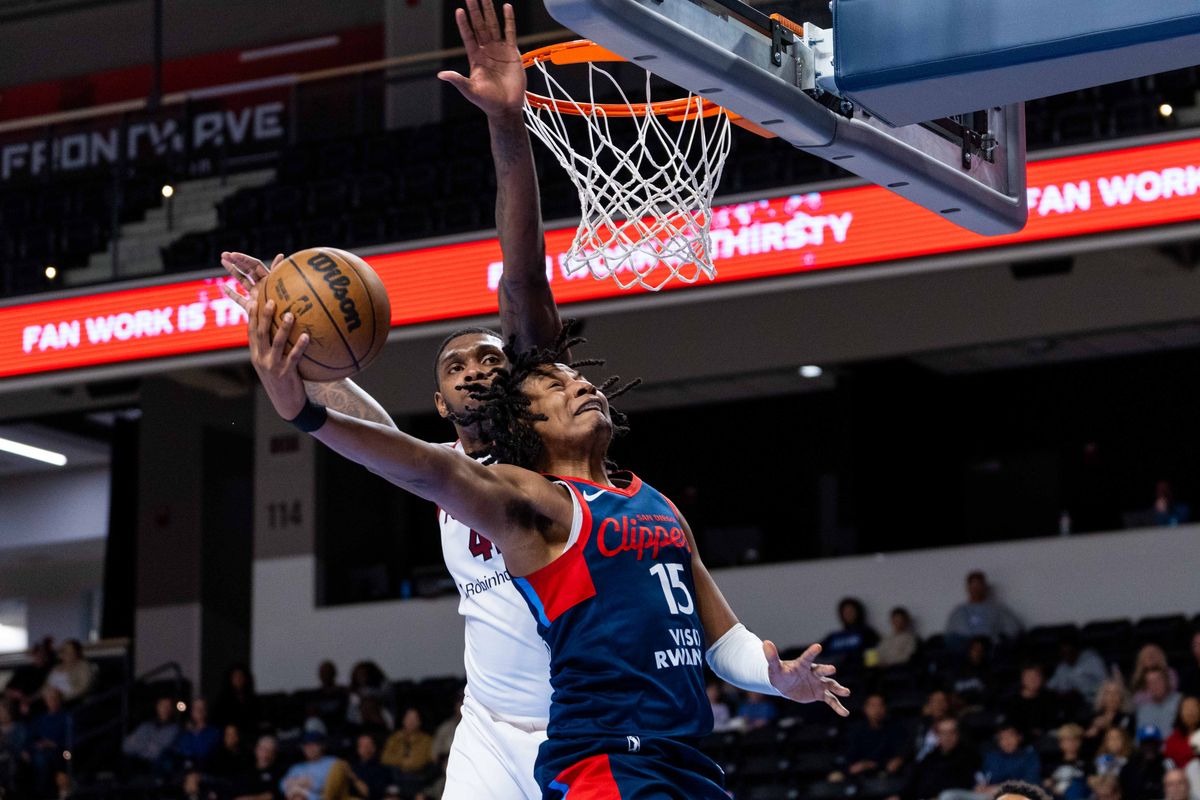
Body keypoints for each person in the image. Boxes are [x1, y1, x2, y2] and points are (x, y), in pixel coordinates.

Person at [220, 3, 569, 796]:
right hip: (487, 728)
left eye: (491, 355)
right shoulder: (442, 472)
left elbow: (520, 275)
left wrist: (508, 129)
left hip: (579, 719)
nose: (476, 365)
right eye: (455, 364)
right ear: (441, 406)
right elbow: (365, 426)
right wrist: (293, 343)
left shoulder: (541, 454)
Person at [902, 718, 978, 800]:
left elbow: (964, 784)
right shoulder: (930, 757)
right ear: (937, 735)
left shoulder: (968, 755)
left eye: (951, 732)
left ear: (958, 734)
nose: (947, 737)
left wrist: (937, 796)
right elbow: (914, 780)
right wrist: (899, 796)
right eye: (943, 733)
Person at [835, 693, 906, 779]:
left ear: (885, 708)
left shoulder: (895, 729)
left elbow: (898, 755)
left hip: (883, 771)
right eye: (872, 706)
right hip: (858, 771)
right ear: (865, 708)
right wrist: (855, 767)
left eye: (880, 705)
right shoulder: (855, 730)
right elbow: (849, 755)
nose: (876, 710)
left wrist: (876, 765)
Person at [945, 571, 1022, 647]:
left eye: (979, 585)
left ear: (984, 587)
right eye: (973, 586)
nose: (976, 590)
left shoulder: (998, 609)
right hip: (966, 649)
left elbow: (1013, 629)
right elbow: (952, 635)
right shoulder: (959, 611)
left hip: (992, 646)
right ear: (968, 588)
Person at [23, 686, 70, 797]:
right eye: (49, 699)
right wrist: (25, 749)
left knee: (41, 760)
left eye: (54, 698)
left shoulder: (66, 717)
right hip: (39, 750)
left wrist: (53, 744)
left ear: (60, 700)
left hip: (60, 752)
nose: (52, 701)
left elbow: (71, 739)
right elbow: (30, 737)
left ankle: (43, 793)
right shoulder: (41, 719)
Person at [279, 732, 353, 800]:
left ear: (322, 746)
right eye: (306, 746)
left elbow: (326, 786)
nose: (310, 749)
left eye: (313, 745)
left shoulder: (332, 762)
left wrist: (302, 787)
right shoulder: (297, 767)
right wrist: (303, 785)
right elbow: (282, 785)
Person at [122, 695, 180, 774]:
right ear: (157, 707)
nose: (165, 709)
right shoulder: (145, 726)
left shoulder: (175, 729)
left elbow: (157, 752)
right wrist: (148, 745)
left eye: (168, 706)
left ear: (172, 709)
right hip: (137, 763)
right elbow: (126, 746)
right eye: (162, 705)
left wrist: (140, 744)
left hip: (156, 766)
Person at [1003, 664, 1064, 738]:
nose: (1032, 680)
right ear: (1022, 679)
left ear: (1042, 678)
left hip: (1046, 738)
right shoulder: (1011, 701)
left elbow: (1054, 723)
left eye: (1036, 676)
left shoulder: (1051, 698)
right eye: (1029, 676)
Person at [1046, 634, 1108, 705]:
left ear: (1077, 649)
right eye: (1063, 653)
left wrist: (1082, 691)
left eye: (1070, 652)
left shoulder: (1092, 659)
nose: (1067, 656)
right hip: (1069, 705)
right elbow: (1049, 687)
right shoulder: (1062, 667)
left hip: (1093, 702)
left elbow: (1106, 682)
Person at [821, 597, 881, 669]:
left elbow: (872, 657)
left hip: (857, 674)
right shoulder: (834, 637)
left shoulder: (867, 633)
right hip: (834, 673)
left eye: (851, 611)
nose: (848, 614)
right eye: (845, 612)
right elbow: (818, 649)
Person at [381, 707, 434, 788]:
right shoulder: (395, 738)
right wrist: (401, 761)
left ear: (419, 722)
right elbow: (385, 758)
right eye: (408, 718)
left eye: (414, 719)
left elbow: (425, 760)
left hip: (417, 778)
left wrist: (410, 764)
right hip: (396, 777)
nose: (411, 721)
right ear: (403, 720)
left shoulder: (426, 740)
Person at [213, 663, 261, 736]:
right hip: (228, 737)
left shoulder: (253, 700)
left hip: (249, 736)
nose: (238, 679)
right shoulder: (222, 701)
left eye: (241, 676)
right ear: (230, 679)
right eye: (235, 677)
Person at [1043, 724, 1089, 800]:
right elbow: (1046, 783)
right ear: (1060, 742)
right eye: (1067, 740)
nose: (1071, 743)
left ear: (1080, 742)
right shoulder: (1051, 763)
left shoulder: (1086, 763)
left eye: (1075, 739)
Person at [948, 636, 995, 709]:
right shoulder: (957, 669)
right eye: (974, 649)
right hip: (956, 707)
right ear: (969, 650)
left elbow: (987, 699)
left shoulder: (989, 672)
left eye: (980, 650)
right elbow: (950, 690)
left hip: (976, 709)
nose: (977, 653)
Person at [41, 639, 93, 704]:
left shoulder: (83, 666)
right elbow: (44, 688)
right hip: (48, 701)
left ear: (76, 653)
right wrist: (30, 699)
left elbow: (83, 688)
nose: (66, 653)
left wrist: (59, 697)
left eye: (70, 651)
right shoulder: (56, 668)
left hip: (69, 702)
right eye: (64, 650)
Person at [232, 734, 284, 800]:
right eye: (262, 748)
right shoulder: (246, 769)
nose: (264, 752)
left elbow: (272, 795)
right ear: (256, 749)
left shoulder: (278, 771)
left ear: (274, 753)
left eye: (268, 749)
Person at [175, 697, 222, 770]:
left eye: (202, 708)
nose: (199, 711)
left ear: (206, 711)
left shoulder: (214, 733)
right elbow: (179, 753)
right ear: (192, 712)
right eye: (196, 708)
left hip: (204, 771)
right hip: (184, 771)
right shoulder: (184, 734)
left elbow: (207, 755)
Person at [1137, 667, 1184, 736]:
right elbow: (1139, 739)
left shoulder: (1180, 701)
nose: (1155, 685)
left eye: (1158, 680)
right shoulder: (1143, 710)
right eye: (1150, 683)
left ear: (1166, 681)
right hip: (1153, 746)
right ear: (1147, 687)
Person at [1087, 681, 1136, 745]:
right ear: (1103, 697)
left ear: (1121, 697)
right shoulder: (1093, 716)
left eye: (1116, 693)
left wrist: (1107, 726)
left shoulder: (1128, 718)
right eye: (1108, 693)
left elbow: (1127, 739)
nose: (1112, 696)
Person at [349, 734, 392, 800]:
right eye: (360, 745)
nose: (362, 747)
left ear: (373, 748)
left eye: (366, 745)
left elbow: (370, 794)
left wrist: (353, 777)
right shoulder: (353, 766)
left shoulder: (382, 770)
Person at [1165, 697, 1200, 768]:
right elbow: (1169, 763)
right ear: (1180, 713)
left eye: (1194, 707)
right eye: (1186, 708)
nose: (1190, 711)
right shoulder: (1172, 740)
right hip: (1180, 776)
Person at [431, 695, 462, 764]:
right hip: (447, 764)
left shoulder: (479, 728)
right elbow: (434, 754)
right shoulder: (445, 728)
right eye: (460, 704)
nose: (462, 708)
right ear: (455, 707)